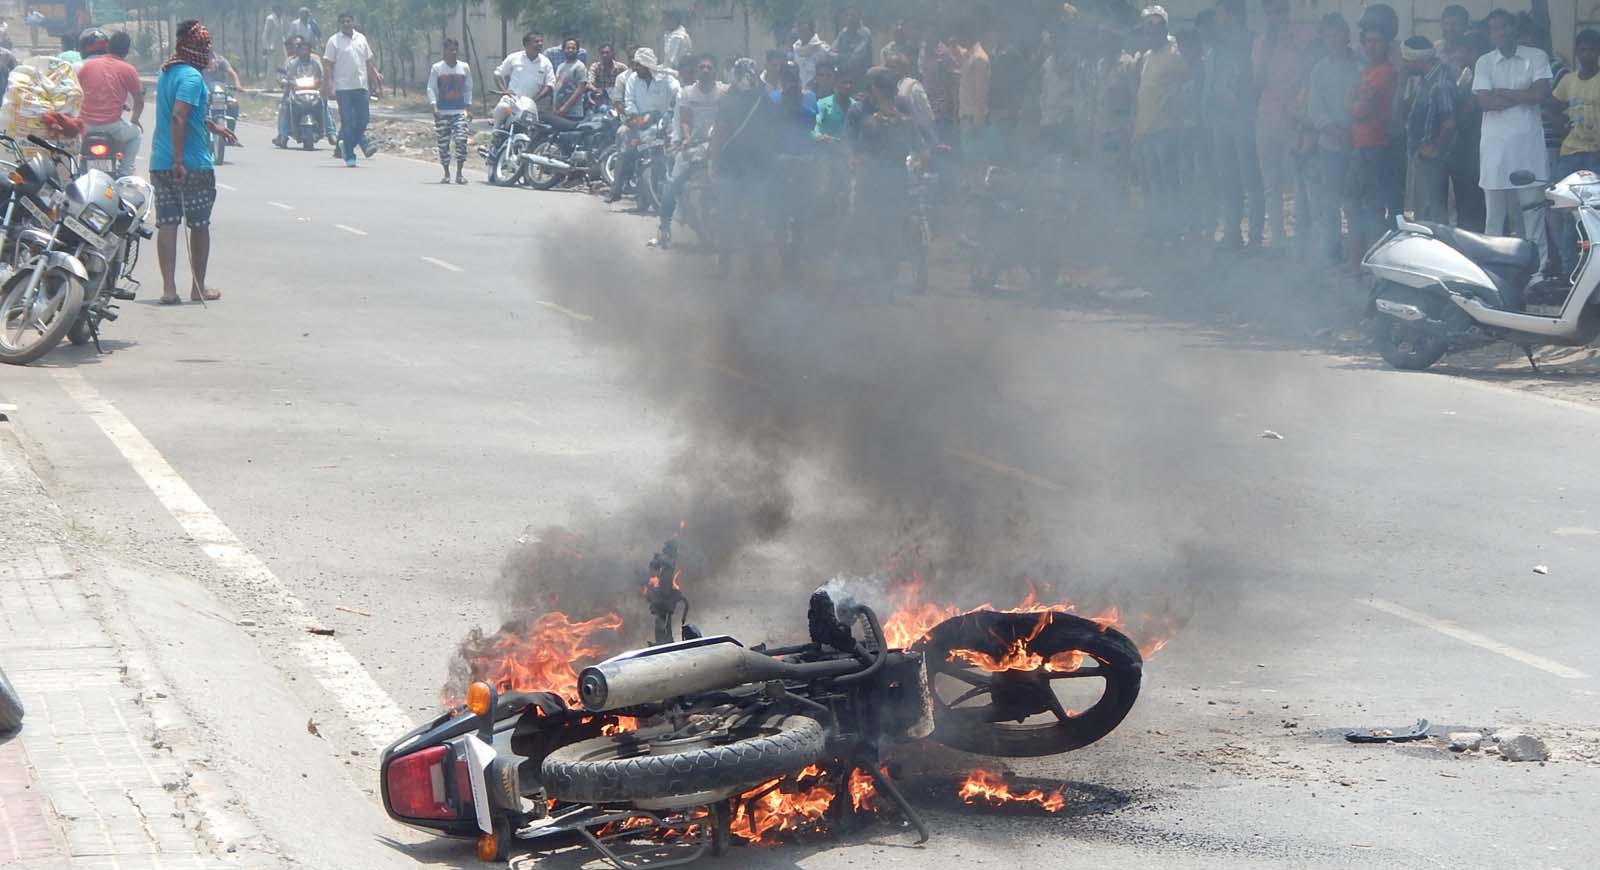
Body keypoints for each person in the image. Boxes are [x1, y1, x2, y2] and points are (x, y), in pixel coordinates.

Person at [150, 20, 236, 305]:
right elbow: (179, 116)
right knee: (199, 225)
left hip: (160, 161)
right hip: (190, 163)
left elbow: (191, 114)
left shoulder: (167, 72)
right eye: (203, 46)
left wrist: (214, 127)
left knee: (168, 223)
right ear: (191, 48)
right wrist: (179, 160)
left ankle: (168, 288)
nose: (207, 51)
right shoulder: (191, 78)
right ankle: (198, 287)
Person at [1475, 6, 1553, 301]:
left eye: (1505, 27)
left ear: (1514, 30)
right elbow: (1484, 102)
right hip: (1495, 151)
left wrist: (1504, 92)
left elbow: (1540, 94)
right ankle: (1491, 275)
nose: (1500, 33)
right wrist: (1521, 94)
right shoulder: (1484, 62)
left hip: (1528, 151)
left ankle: (1537, 274)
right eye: (1494, 28)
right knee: (1494, 220)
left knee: (1533, 214)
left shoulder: (1536, 57)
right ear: (1490, 33)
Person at [1204, 0, 1265, 250]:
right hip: (1222, 121)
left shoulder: (1251, 42)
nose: (1217, 19)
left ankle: (1255, 237)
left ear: (1231, 15)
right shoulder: (1218, 46)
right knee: (1228, 179)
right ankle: (1232, 232)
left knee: (1251, 179)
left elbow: (1257, 80)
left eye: (1220, 14)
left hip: (1245, 120)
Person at [709, 58, 778, 271]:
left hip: (732, 166)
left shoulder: (727, 100)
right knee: (756, 216)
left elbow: (720, 133)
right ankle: (755, 262)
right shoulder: (764, 99)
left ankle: (725, 261)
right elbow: (770, 135)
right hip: (757, 166)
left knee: (728, 215)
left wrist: (712, 161)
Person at [652, 54, 724, 249]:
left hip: (720, 146)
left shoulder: (723, 92)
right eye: (702, 67)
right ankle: (664, 226)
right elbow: (684, 119)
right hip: (694, 145)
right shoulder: (687, 92)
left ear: (715, 71)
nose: (706, 70)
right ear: (697, 71)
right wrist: (686, 139)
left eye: (709, 67)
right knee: (673, 185)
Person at [1304, 12, 1360, 263]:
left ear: (1347, 35)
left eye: (1337, 33)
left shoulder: (1361, 65)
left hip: (1359, 144)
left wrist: (1353, 133)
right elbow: (1316, 109)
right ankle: (1332, 251)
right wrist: (1334, 131)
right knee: (1330, 201)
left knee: (1355, 200)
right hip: (1330, 145)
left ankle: (1357, 251)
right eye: (1327, 35)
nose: (1333, 39)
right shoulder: (1319, 70)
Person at [1254, 0, 1308, 248]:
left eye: (1278, 11)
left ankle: (1301, 237)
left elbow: (1308, 76)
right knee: (1271, 183)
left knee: (1299, 181)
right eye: (1269, 12)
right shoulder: (1260, 43)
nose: (1274, 17)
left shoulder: (1300, 40)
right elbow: (1257, 81)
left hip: (1295, 120)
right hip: (1266, 118)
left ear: (1286, 13)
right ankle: (1278, 238)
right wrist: (1269, 46)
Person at [1134, 6, 1189, 242]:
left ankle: (1173, 231)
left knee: (1169, 185)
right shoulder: (1146, 57)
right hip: (1146, 131)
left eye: (1158, 26)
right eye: (1148, 27)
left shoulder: (1175, 55)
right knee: (1153, 185)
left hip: (1166, 131)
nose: (1153, 31)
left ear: (1165, 28)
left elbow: (1191, 80)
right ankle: (1157, 229)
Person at [1348, 12, 1400, 257]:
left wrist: (1351, 103)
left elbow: (1359, 109)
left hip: (1374, 146)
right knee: (1358, 206)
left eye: (1377, 41)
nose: (1371, 45)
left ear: (1387, 43)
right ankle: (1359, 264)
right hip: (1363, 144)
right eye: (1368, 41)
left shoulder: (1384, 72)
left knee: (1371, 208)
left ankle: (1373, 264)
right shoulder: (1368, 70)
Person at [1551, 29, 1600, 270]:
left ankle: (1592, 269)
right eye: (1582, 49)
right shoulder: (1568, 81)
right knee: (1567, 213)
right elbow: (1551, 105)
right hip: (1570, 154)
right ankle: (1568, 269)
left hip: (1596, 154)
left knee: (1595, 215)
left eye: (1592, 49)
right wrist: (1561, 126)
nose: (1587, 54)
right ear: (1577, 52)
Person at [607, 48, 680, 205]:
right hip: (638, 120)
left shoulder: (665, 78)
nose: (635, 68)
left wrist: (675, 108)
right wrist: (634, 118)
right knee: (623, 137)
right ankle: (616, 189)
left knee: (676, 149)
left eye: (638, 65)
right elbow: (630, 100)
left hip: (663, 120)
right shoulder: (633, 79)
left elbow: (677, 92)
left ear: (647, 65)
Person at [1400, 36, 1458, 223]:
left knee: (1433, 213)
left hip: (1433, 158)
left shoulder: (1438, 82)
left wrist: (1436, 149)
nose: (1404, 64)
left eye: (1407, 60)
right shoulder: (1426, 78)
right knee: (1423, 210)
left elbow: (1449, 122)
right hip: (1422, 155)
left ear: (1418, 60)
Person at [77, 27, 143, 177]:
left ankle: (75, 172)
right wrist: (135, 119)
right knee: (136, 134)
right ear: (126, 51)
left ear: (108, 47)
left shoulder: (87, 66)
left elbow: (77, 93)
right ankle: (124, 172)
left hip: (85, 127)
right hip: (113, 128)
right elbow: (139, 101)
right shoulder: (128, 69)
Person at [324, 12, 382, 167]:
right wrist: (330, 85)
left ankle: (345, 144)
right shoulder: (333, 41)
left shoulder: (361, 38)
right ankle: (350, 155)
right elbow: (328, 65)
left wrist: (376, 82)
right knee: (348, 122)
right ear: (339, 24)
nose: (346, 24)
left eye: (348, 21)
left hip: (361, 87)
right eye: (343, 22)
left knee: (363, 120)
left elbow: (369, 62)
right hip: (343, 88)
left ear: (353, 22)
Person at [1444, 33, 1487, 231]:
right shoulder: (1466, 76)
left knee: (1473, 207)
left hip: (1474, 152)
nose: (1461, 55)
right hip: (1464, 152)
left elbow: (1464, 116)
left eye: (1466, 51)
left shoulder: (1480, 79)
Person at [273, 35, 336, 148]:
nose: (304, 52)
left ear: (309, 50)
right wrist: (285, 82)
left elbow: (322, 76)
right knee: (284, 107)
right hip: (296, 93)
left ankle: (331, 134)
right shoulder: (291, 63)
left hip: (314, 92)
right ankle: (283, 136)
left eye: (306, 49)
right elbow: (285, 77)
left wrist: (322, 82)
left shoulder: (316, 62)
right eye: (301, 49)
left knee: (325, 105)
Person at [428, 37, 472, 184]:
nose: (453, 53)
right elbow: (431, 88)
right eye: (450, 50)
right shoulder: (437, 68)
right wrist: (434, 107)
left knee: (461, 141)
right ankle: (446, 173)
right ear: (444, 51)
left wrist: (468, 107)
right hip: (442, 111)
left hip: (459, 111)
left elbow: (468, 88)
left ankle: (459, 173)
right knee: (443, 143)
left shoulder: (464, 67)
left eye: (455, 50)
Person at [494, 31, 553, 128]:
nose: (540, 44)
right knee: (502, 107)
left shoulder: (546, 62)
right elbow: (497, 74)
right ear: (526, 44)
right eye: (536, 41)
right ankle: (494, 136)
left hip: (532, 105)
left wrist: (534, 100)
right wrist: (504, 90)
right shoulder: (514, 57)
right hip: (512, 101)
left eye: (541, 41)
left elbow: (550, 85)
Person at [1040, 29, 1077, 156]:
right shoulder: (1047, 63)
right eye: (1053, 39)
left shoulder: (1074, 61)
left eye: (1058, 39)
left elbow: (1076, 92)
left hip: (1065, 120)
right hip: (1049, 120)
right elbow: (1044, 91)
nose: (1054, 43)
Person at [956, 28, 992, 159]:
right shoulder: (970, 56)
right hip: (966, 117)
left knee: (976, 161)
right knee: (970, 161)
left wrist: (978, 121)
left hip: (973, 120)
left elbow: (981, 92)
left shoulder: (979, 59)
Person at [548, 37, 588, 129]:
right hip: (559, 112)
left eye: (573, 48)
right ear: (563, 50)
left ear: (577, 50)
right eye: (568, 48)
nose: (570, 50)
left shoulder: (580, 67)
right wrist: (555, 107)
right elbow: (557, 87)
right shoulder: (561, 66)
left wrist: (565, 108)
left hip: (573, 113)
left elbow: (580, 90)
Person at [834, 6, 874, 83]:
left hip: (861, 76)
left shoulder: (865, 33)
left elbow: (857, 57)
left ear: (859, 17)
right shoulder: (843, 33)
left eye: (853, 15)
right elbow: (831, 53)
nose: (850, 18)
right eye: (847, 15)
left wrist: (841, 56)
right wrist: (846, 55)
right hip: (844, 76)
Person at [813, 69, 853, 143]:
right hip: (828, 150)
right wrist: (820, 136)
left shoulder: (856, 106)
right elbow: (814, 126)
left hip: (851, 151)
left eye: (850, 83)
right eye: (844, 83)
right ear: (835, 84)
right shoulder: (823, 104)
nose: (848, 86)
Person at [792, 17, 830, 91]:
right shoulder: (796, 50)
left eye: (805, 29)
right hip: (800, 91)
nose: (802, 31)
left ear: (811, 29)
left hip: (819, 90)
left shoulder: (822, 49)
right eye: (799, 28)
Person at [662, 9, 692, 74]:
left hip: (676, 72)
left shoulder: (677, 37)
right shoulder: (671, 34)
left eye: (666, 19)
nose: (664, 22)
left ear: (675, 20)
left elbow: (672, 62)